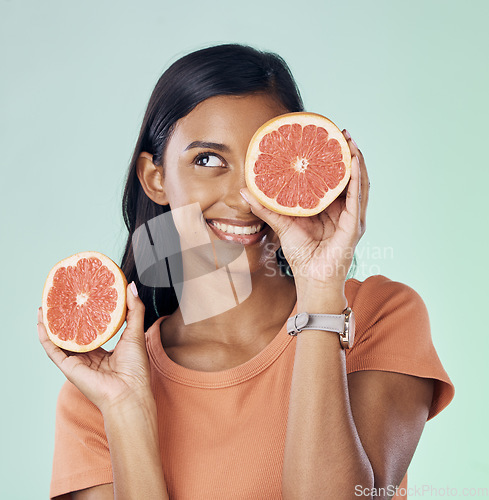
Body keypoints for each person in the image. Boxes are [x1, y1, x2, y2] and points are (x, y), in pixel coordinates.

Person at [38, 43, 454, 499]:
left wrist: (319, 290)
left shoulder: (379, 316)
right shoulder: (97, 393)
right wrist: (126, 412)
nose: (241, 197)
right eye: (208, 160)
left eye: (262, 163)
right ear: (155, 178)